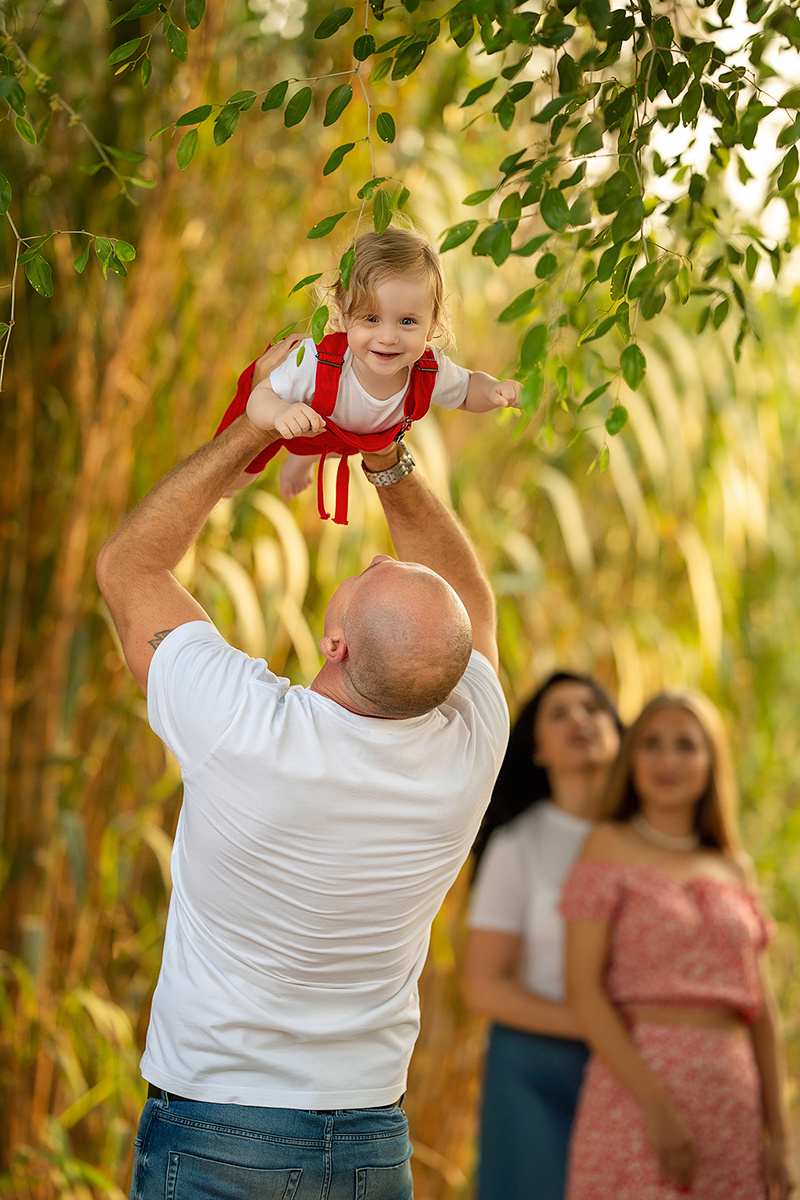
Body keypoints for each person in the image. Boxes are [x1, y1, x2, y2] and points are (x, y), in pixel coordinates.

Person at [95, 339, 510, 1199]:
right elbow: (469, 603)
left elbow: (129, 566)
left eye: (371, 571)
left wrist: (250, 431)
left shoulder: (245, 729)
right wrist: (384, 449)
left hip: (216, 1126)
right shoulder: (468, 750)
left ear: (334, 644)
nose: (382, 555)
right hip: (366, 1138)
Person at [561, 689, 794, 1200]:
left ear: (711, 761)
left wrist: (782, 1134)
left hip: (733, 1105)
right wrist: (655, 1104)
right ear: (632, 758)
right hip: (637, 1097)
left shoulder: (734, 868)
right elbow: (582, 989)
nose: (668, 760)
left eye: (686, 746)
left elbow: (764, 1011)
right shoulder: (608, 847)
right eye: (652, 744)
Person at [214, 226, 521, 523]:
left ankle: (302, 461)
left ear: (433, 324)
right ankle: (296, 457)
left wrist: (494, 391)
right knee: (228, 483)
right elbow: (260, 396)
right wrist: (280, 412)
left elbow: (468, 391)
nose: (388, 337)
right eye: (371, 318)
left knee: (333, 447)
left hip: (339, 434)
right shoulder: (315, 363)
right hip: (291, 413)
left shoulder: (429, 370)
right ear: (344, 317)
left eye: (407, 322)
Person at [462, 672, 623, 1200]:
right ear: (537, 750)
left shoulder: (652, 841)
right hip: (537, 1069)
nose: (580, 719)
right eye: (560, 713)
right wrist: (594, 1024)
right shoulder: (518, 845)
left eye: (593, 708)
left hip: (641, 1066)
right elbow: (482, 986)